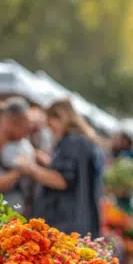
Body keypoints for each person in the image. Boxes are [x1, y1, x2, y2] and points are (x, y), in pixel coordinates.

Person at [27, 99, 105, 237]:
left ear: (59, 117)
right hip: (84, 220)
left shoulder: (71, 142)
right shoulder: (84, 141)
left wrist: (29, 168)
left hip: (67, 222)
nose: (49, 128)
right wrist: (48, 163)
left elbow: (62, 180)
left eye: (50, 123)